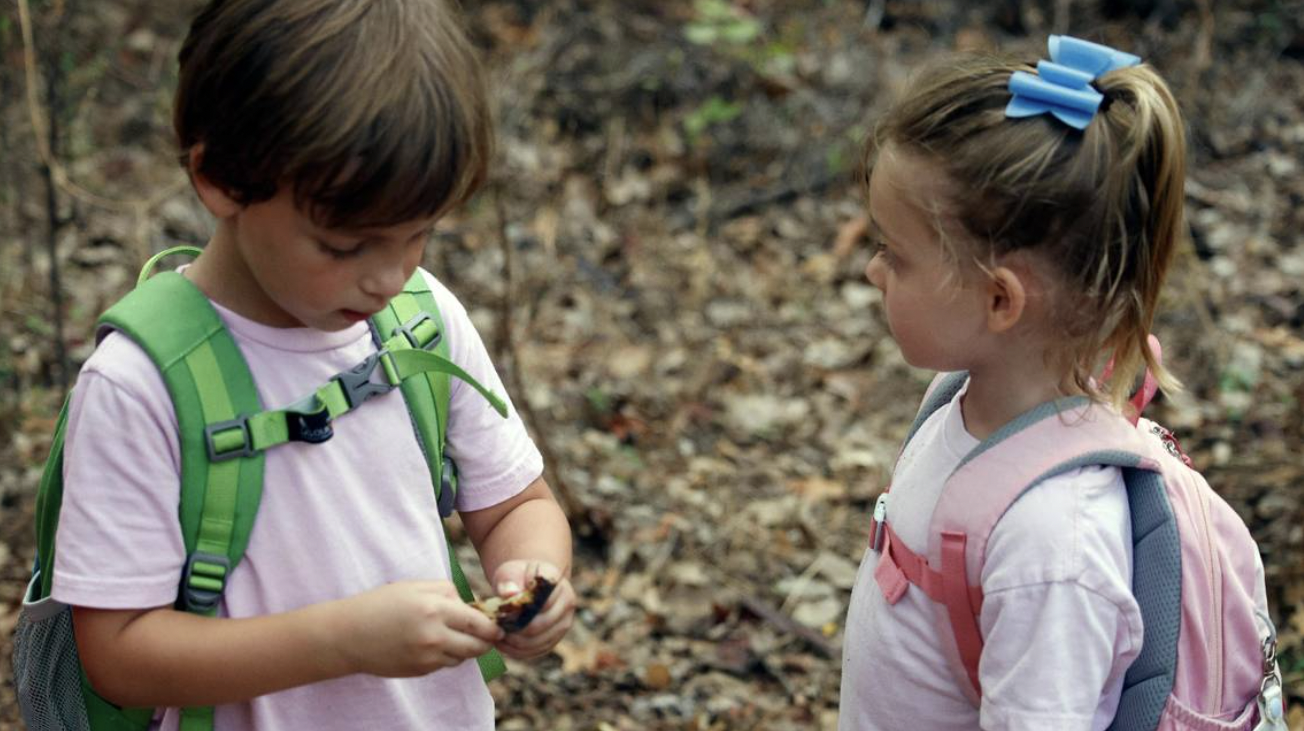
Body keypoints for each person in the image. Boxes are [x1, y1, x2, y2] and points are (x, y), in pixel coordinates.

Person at [52, 1, 574, 729]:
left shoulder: (418, 323)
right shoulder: (141, 385)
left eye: (418, 234)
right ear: (220, 179)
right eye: (344, 245)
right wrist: (342, 640)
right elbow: (119, 654)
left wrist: (534, 574)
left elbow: (518, 504)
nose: (388, 276)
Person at [840, 37, 1190, 729]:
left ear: (1001, 300)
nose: (873, 271)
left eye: (894, 253)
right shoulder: (957, 401)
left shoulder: (1054, 540)